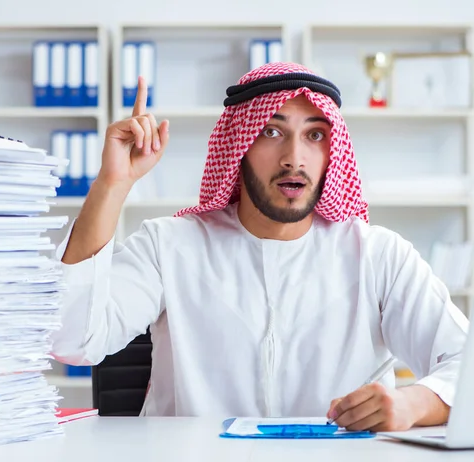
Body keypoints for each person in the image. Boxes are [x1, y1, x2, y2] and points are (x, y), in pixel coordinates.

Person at [51, 62, 469, 432]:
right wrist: (111, 186)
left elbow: (464, 362)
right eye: (272, 131)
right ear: (240, 146)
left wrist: (412, 403)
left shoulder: (377, 256)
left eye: (315, 135)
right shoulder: (170, 246)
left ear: (332, 152)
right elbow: (72, 339)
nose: (294, 158)